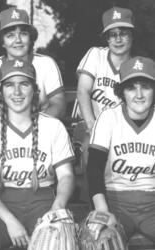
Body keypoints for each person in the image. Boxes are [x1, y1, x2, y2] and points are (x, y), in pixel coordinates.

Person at [0, 59, 75, 249]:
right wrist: (10, 221)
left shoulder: (53, 126)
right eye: (9, 85)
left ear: (35, 90)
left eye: (24, 84)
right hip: (0, 205)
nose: (17, 92)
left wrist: (57, 206)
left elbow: (66, 175)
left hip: (44, 203)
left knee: (58, 243)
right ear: (0, 93)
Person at [86, 56, 155, 243]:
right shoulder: (109, 118)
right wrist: (102, 212)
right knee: (99, 241)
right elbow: (93, 170)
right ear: (122, 91)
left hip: (152, 204)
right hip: (114, 202)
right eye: (131, 87)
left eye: (146, 86)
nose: (139, 94)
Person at [0, 7, 66, 124]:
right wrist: (0, 130)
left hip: (40, 131)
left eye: (23, 34)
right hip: (2, 134)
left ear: (30, 38)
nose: (18, 40)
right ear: (2, 42)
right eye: (10, 35)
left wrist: (34, 127)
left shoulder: (46, 64)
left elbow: (58, 105)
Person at [75, 6, 135, 178]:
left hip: (119, 129)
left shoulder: (135, 68)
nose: (118, 39)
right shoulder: (96, 55)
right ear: (106, 38)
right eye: (112, 34)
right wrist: (92, 126)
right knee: (91, 149)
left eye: (123, 33)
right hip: (87, 123)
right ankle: (92, 202)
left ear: (131, 35)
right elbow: (83, 91)